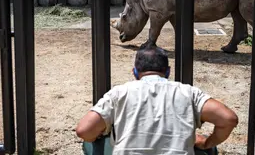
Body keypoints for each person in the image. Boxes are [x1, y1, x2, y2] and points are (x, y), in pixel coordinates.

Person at [76, 46, 238, 154]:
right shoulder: (188, 93)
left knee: (91, 143)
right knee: (208, 150)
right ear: (167, 72)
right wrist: (207, 143)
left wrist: (96, 136)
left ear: (135, 72)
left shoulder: (119, 93)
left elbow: (83, 130)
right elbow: (228, 119)